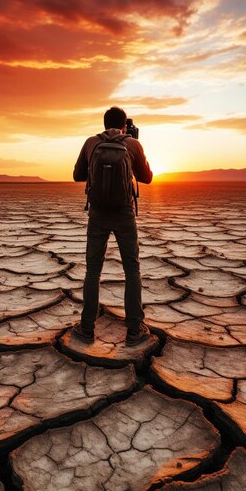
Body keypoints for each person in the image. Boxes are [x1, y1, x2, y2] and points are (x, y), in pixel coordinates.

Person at [72, 106, 153, 346]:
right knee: (132, 269)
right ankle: (134, 330)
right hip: (124, 213)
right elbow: (147, 178)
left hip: (97, 213)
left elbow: (78, 175)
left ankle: (86, 329)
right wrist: (134, 146)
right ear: (125, 126)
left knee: (93, 271)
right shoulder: (133, 144)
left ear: (104, 123)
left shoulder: (91, 142)